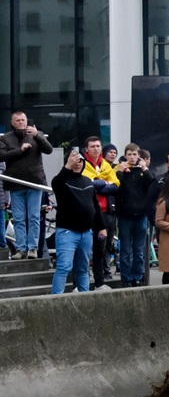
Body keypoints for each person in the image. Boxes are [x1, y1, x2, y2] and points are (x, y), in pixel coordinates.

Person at [50, 148, 106, 294]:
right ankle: (56, 299)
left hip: (86, 232)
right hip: (67, 231)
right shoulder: (62, 180)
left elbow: (96, 206)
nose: (77, 163)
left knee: (83, 268)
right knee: (64, 266)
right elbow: (56, 183)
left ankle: (84, 297)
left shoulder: (88, 181)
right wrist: (67, 166)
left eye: (80, 160)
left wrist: (102, 226)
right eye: (73, 160)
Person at [0, 110, 53, 259]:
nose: (21, 123)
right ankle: (21, 248)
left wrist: (37, 135)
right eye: (18, 121)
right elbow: (1, 155)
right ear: (12, 123)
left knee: (34, 216)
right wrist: (19, 150)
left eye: (23, 120)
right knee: (19, 217)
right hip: (16, 183)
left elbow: (48, 149)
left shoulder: (35, 134)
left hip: (34, 182)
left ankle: (33, 248)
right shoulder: (6, 138)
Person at [80, 137, 121, 289]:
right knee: (83, 251)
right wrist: (103, 182)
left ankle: (99, 283)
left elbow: (116, 184)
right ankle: (79, 284)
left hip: (104, 213)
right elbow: (86, 183)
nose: (96, 149)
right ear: (87, 148)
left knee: (100, 249)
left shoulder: (104, 164)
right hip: (87, 212)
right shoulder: (82, 163)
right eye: (93, 146)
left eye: (98, 146)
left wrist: (99, 184)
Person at [112, 142, 154, 287]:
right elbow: (116, 189)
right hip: (125, 215)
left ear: (138, 156)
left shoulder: (142, 170)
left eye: (134, 154)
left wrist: (145, 168)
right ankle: (126, 278)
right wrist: (120, 173)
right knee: (125, 250)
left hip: (141, 215)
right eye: (129, 154)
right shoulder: (119, 170)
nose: (131, 157)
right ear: (125, 156)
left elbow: (152, 184)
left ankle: (138, 276)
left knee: (139, 250)